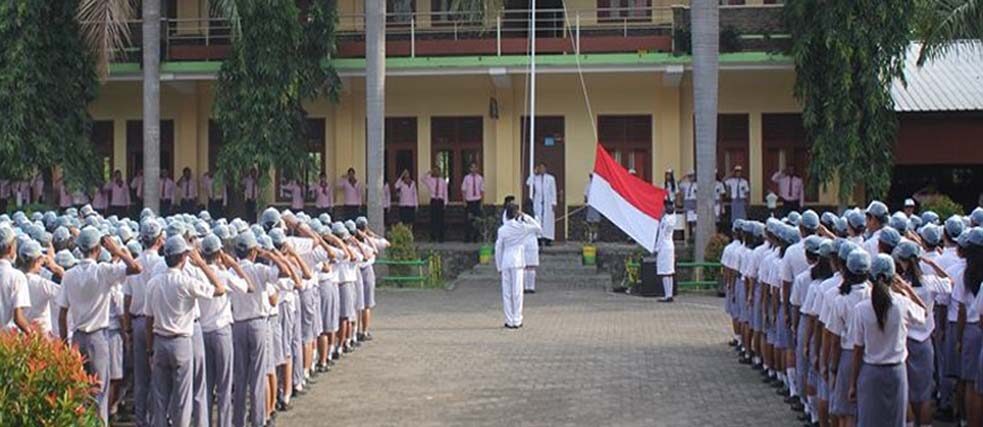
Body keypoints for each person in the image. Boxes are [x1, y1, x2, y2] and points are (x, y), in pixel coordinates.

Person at [57, 226, 142, 424]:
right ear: (97, 249)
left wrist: (63, 343)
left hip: (77, 337)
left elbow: (62, 314)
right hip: (98, 337)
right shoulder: (103, 271)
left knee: (79, 392)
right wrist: (117, 251)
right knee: (100, 394)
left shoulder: (69, 275)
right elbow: (136, 268)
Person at [145, 235, 228, 427]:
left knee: (160, 397)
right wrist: (201, 264)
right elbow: (220, 289)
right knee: (183, 398)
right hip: (181, 341)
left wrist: (150, 349)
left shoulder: (154, 283)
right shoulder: (186, 282)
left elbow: (149, 320)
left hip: (159, 340)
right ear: (183, 257)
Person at [848, 254, 927, 427]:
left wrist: (853, 382)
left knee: (869, 421)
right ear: (893, 277)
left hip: (871, 371)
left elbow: (858, 349)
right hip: (896, 372)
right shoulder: (902, 304)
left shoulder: (861, 309)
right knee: (895, 421)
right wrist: (906, 288)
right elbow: (924, 313)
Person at [892, 240, 951, 426]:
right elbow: (950, 282)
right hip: (925, 342)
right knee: (924, 395)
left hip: (905, 341)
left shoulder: (900, 288)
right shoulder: (930, 282)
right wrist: (933, 265)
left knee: (907, 393)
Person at [197, 234, 253, 427]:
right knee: (224, 385)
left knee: (205, 384)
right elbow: (248, 287)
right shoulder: (224, 275)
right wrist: (233, 265)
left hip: (202, 331)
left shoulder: (197, 273)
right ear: (219, 253)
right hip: (221, 331)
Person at [495, 203, 542, 329]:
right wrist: (525, 216)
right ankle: (517, 319)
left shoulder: (502, 230)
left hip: (506, 261)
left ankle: (509, 319)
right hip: (518, 261)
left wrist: (498, 265)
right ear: (516, 214)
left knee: (507, 292)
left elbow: (498, 249)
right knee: (517, 291)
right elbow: (538, 227)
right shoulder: (522, 227)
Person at [0, 226, 35, 335]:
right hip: (7, 338)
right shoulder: (16, 276)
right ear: (10, 248)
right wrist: (33, 334)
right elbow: (18, 317)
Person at [526, 163, 557, 246]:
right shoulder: (536, 178)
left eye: (543, 168)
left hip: (548, 202)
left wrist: (554, 202)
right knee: (538, 219)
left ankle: (548, 239)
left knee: (548, 221)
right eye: (540, 168)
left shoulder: (551, 178)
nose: (542, 169)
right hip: (538, 201)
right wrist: (533, 173)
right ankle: (539, 238)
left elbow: (553, 191)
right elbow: (528, 183)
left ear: (546, 169)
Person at [656, 199, 677, 302]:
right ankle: (670, 294)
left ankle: (667, 294)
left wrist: (656, 248)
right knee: (669, 271)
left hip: (664, 245)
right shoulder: (673, 218)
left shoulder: (665, 220)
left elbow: (661, 235)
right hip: (670, 245)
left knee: (664, 271)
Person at [462, 163, 485, 242]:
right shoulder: (466, 178)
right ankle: (467, 238)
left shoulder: (480, 178)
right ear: (470, 169)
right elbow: (464, 190)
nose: (474, 169)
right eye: (472, 167)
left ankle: (476, 238)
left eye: (475, 167)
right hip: (469, 201)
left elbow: (482, 191)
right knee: (468, 220)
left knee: (477, 220)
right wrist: (464, 201)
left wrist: (482, 202)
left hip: (477, 201)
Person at [423, 167, 447, 242]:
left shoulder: (443, 181)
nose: (436, 173)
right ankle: (432, 237)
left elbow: (445, 192)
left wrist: (445, 203)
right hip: (433, 200)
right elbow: (422, 179)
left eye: (438, 171)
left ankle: (441, 237)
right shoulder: (430, 180)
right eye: (435, 171)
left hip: (440, 201)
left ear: (440, 172)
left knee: (440, 220)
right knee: (433, 219)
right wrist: (429, 172)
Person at [679, 171, 697, 239]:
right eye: (690, 176)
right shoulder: (685, 184)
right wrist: (684, 176)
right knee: (687, 220)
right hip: (687, 202)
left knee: (694, 221)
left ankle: (694, 236)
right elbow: (678, 183)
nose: (691, 178)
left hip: (694, 202)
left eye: (692, 176)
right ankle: (687, 237)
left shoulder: (696, 184)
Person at [584, 174, 601, 243]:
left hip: (596, 206)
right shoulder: (588, 186)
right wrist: (586, 202)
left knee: (596, 222)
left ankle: (595, 235)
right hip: (590, 205)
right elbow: (585, 195)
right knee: (590, 222)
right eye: (590, 177)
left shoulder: (598, 186)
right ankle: (590, 235)